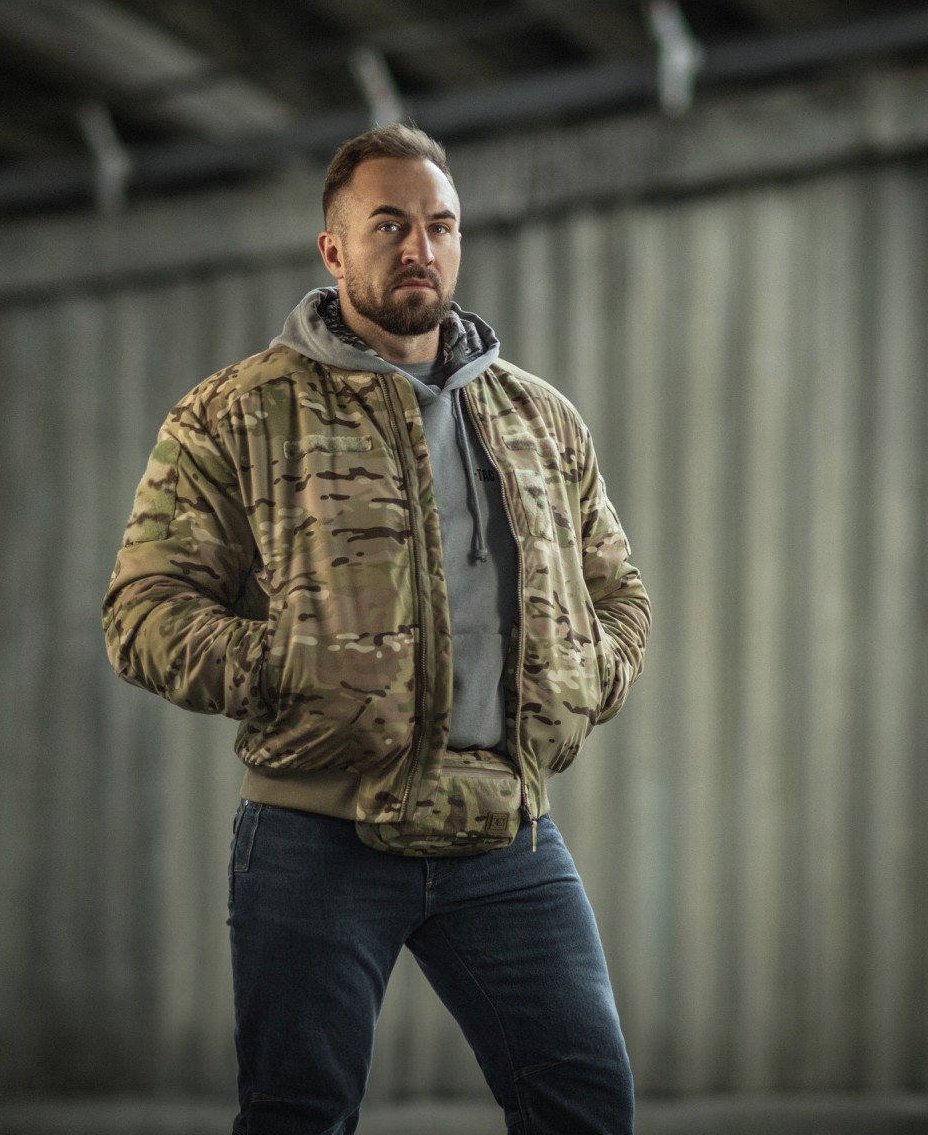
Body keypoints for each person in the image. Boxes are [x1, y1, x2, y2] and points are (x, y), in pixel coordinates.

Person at [102, 123, 651, 1135]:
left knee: (586, 1105)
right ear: (334, 248)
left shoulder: (539, 419)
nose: (419, 247)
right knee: (299, 1116)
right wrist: (294, 667)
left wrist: (584, 672)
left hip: (507, 835)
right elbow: (142, 611)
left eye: (440, 225)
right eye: (389, 224)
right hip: (318, 837)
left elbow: (620, 595)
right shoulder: (236, 414)